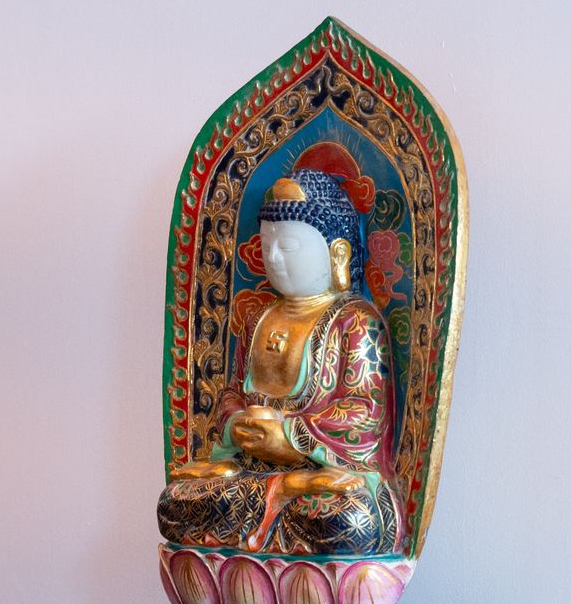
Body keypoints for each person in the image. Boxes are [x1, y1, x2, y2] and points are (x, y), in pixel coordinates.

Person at [157, 168, 401, 557]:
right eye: (266, 244)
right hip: (250, 473)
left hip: (324, 477)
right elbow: (232, 392)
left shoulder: (355, 322)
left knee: (349, 520)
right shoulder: (257, 319)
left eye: (287, 246)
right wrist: (238, 424)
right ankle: (280, 493)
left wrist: (290, 436)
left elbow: (365, 413)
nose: (272, 258)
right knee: (175, 504)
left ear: (337, 253)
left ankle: (286, 496)